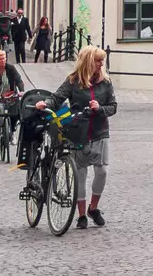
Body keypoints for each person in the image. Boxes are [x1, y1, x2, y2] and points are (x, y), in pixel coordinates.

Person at [48, 45, 116, 228]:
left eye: (102, 60)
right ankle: (81, 216)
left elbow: (113, 106)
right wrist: (44, 103)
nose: (102, 63)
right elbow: (57, 98)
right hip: (78, 132)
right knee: (80, 173)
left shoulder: (106, 82)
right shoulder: (73, 81)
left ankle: (93, 208)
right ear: (88, 61)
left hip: (100, 131)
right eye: (98, 60)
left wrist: (100, 108)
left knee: (102, 171)